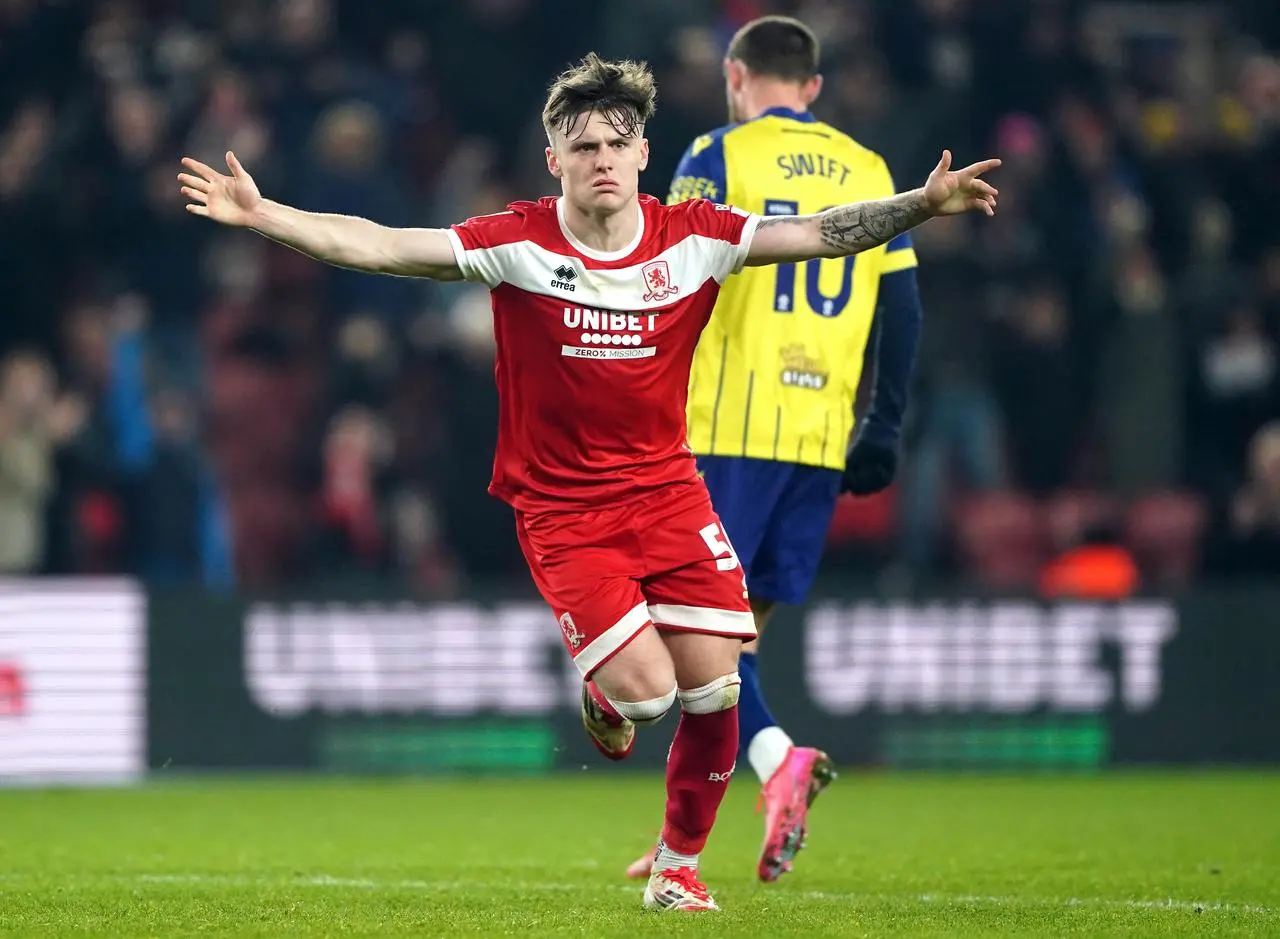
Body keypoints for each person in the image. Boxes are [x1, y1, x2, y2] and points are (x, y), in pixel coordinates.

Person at [177, 53, 999, 912]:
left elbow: (824, 232)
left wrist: (922, 206)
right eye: (583, 146)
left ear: (645, 155)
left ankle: (678, 869)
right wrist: (264, 214)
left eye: (618, 142)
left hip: (671, 492)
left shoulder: (697, 237)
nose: (602, 158)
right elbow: (383, 246)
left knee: (717, 683)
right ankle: (607, 689)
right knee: (647, 698)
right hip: (565, 511)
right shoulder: (518, 243)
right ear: (554, 161)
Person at [625, 15, 928, 884]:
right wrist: (885, 422)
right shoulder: (870, 170)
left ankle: (778, 762)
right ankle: (688, 832)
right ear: (816, 88)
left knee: (693, 640)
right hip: (820, 436)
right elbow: (903, 308)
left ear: (734, 75)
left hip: (726, 427)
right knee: (734, 644)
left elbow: (665, 270)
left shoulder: (717, 153)